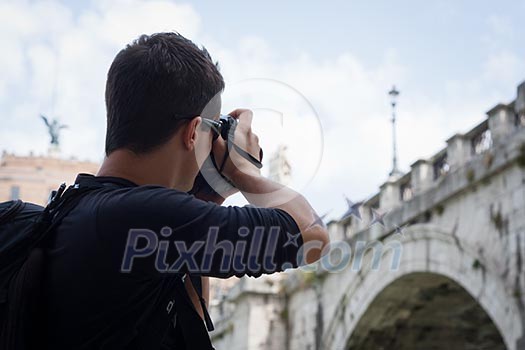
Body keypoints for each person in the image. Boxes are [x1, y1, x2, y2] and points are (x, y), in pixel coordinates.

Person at [43, 32, 329, 349]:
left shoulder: (80, 210)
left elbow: (188, 330)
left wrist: (210, 198)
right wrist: (242, 168)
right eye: (211, 130)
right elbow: (311, 236)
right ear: (194, 132)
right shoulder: (145, 216)